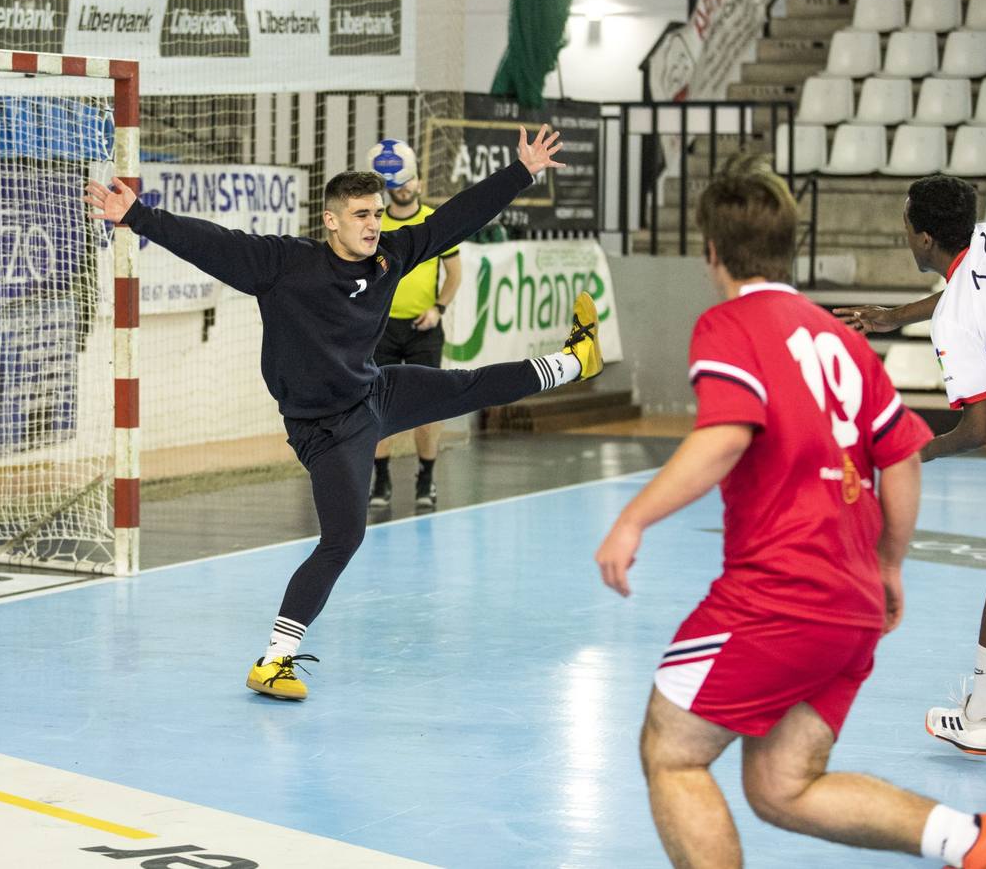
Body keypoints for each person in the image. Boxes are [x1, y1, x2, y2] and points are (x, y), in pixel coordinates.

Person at [85, 125, 603, 702]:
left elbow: (452, 221)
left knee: (465, 386)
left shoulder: (389, 257)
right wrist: (140, 217)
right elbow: (214, 242)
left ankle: (575, 362)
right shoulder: (284, 264)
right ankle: (274, 660)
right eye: (360, 214)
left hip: (373, 391)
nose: (373, 224)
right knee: (342, 539)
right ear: (331, 220)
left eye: (377, 213)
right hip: (325, 427)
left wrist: (521, 172)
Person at [595, 154, 986, 868]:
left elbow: (724, 436)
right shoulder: (842, 340)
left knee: (670, 751)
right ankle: (974, 843)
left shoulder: (731, 326)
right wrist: (886, 568)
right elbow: (902, 457)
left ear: (712, 253)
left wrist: (632, 518)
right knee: (779, 786)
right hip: (850, 608)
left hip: (780, 597)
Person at [836, 176, 986, 757]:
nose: (903, 231)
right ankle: (978, 716)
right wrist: (895, 317)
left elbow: (979, 429)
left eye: (907, 224)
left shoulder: (954, 323)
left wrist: (913, 453)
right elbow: (968, 294)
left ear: (927, 239)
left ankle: (980, 720)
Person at [363, 139, 462, 509]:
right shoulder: (375, 221)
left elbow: (454, 274)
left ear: (418, 183)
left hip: (424, 329)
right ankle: (381, 478)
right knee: (376, 406)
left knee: (428, 406)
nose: (402, 187)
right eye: (396, 181)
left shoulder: (433, 222)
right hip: (382, 330)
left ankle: (427, 476)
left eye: (409, 180)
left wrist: (438, 308)